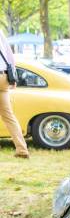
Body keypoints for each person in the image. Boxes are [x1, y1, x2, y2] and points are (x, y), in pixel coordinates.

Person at [0, 30, 28, 158]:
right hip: (4, 76)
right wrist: (14, 77)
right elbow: (9, 54)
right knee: (8, 115)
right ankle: (22, 150)